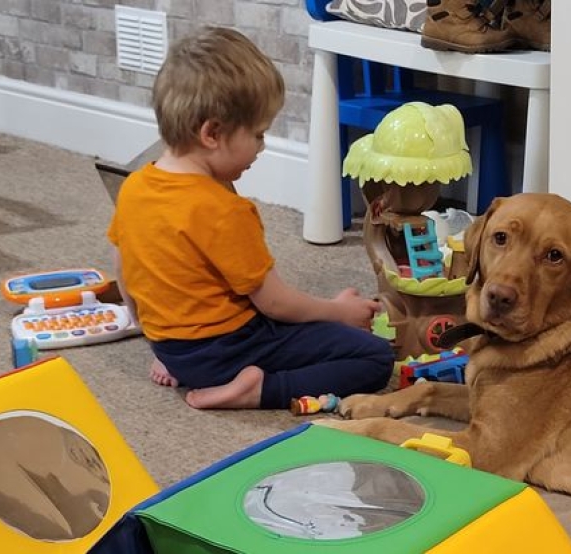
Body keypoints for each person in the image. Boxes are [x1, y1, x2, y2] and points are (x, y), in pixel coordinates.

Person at [107, 26, 394, 410]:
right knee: (374, 358)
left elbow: (124, 268)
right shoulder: (223, 211)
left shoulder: (135, 187)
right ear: (212, 133)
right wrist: (338, 313)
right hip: (229, 349)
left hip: (172, 350)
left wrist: (155, 336)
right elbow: (274, 305)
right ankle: (258, 391)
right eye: (258, 135)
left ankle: (196, 368)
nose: (262, 147)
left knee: (303, 324)